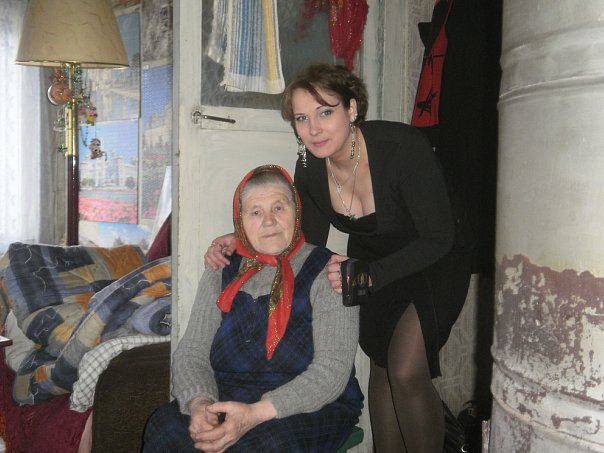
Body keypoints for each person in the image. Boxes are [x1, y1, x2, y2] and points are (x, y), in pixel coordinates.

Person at [205, 63, 473, 452]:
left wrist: (371, 275)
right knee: (381, 365)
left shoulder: (402, 148)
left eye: (325, 112)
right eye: (301, 118)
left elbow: (438, 237)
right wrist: (242, 240)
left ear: (351, 108)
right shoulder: (310, 166)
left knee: (405, 369)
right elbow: (304, 238)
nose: (313, 129)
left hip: (434, 254)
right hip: (371, 257)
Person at [143, 165, 363, 453]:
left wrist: (254, 414)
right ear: (241, 221)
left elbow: (331, 372)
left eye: (279, 208)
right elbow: (192, 352)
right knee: (163, 427)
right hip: (227, 394)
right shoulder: (222, 268)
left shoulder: (329, 271)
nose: (269, 221)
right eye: (256, 212)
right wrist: (200, 405)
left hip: (310, 405)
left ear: (296, 212)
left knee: (261, 445)